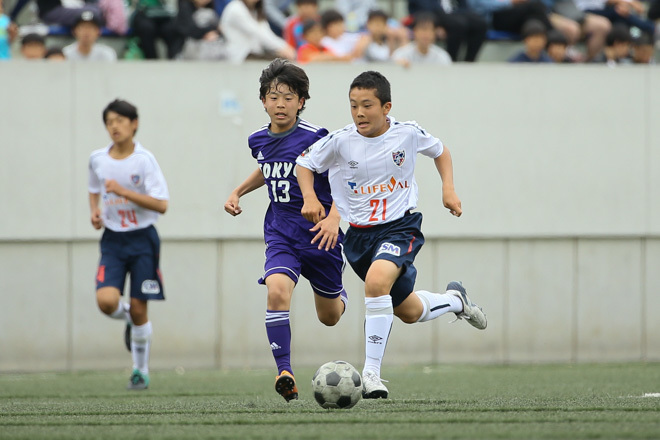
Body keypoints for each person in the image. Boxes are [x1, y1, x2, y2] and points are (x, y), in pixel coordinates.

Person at [295, 70, 486, 399]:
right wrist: (311, 198)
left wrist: (448, 190)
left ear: (386, 107)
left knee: (375, 283)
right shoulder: (341, 140)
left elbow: (440, 151)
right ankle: (456, 301)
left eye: (366, 105)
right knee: (408, 312)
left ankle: (370, 374)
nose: (358, 113)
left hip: (400, 226)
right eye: (353, 105)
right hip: (358, 238)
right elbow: (304, 164)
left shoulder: (407, 133)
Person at [224, 59, 349, 403]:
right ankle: (285, 372)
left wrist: (335, 217)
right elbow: (267, 168)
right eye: (273, 96)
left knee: (330, 318)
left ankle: (340, 297)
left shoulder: (318, 137)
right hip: (281, 233)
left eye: (289, 97)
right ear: (263, 100)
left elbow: (344, 181)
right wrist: (237, 191)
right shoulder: (257, 138)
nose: (280, 104)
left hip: (320, 235)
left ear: (302, 101)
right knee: (277, 290)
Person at [88, 99, 169, 390]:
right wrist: (95, 212)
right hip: (113, 240)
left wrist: (123, 191)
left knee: (140, 307)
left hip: (143, 239)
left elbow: (161, 204)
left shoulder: (144, 160)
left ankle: (140, 371)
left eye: (121, 120)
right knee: (106, 302)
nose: (115, 126)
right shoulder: (98, 158)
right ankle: (130, 320)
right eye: (110, 121)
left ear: (134, 124)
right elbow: (94, 189)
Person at [408, 0, 487, 62]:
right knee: (458, 25)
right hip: (431, 14)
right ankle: (452, 60)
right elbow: (425, 5)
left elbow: (464, 7)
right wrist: (436, 26)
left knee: (480, 24)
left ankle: (469, 61)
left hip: (454, 13)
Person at [219, 0, 295, 63]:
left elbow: (266, 32)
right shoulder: (235, 8)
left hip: (256, 52)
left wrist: (285, 47)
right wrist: (283, 47)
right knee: (281, 63)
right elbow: (257, 32)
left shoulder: (256, 9)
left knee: (284, 61)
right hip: (241, 55)